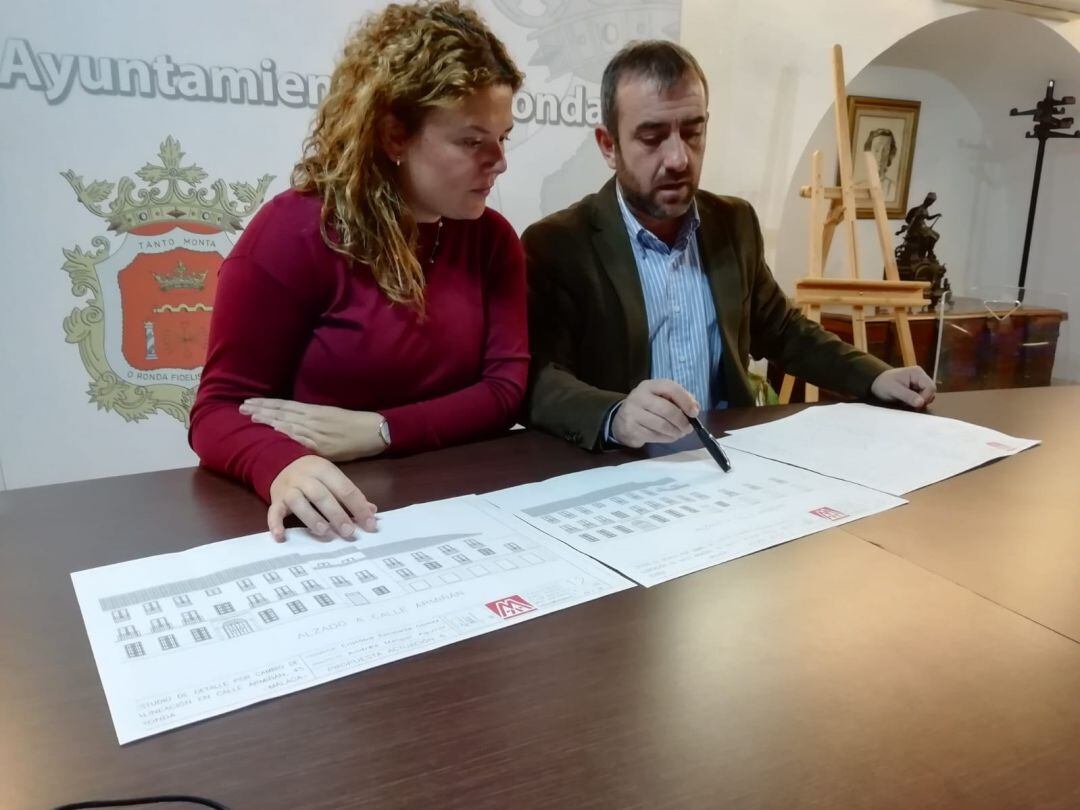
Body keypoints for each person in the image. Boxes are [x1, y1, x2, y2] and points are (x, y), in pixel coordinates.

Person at [189, 1, 527, 541]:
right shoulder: (294, 234)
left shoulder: (493, 240)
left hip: (461, 511)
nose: (499, 161)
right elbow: (216, 412)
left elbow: (505, 390)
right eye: (471, 141)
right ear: (395, 135)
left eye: (502, 137)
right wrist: (281, 464)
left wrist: (381, 430)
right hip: (336, 518)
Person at [524, 40, 935, 451]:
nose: (678, 158)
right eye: (652, 138)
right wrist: (615, 415)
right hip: (619, 473)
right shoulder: (560, 245)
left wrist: (874, 376)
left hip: (728, 464)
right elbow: (541, 381)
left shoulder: (733, 223)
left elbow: (783, 331)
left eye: (692, 132)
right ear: (608, 145)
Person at [864, 127, 898, 198]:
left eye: (885, 150)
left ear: (890, 154)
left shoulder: (895, 190)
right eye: (876, 149)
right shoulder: (857, 187)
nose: (880, 156)